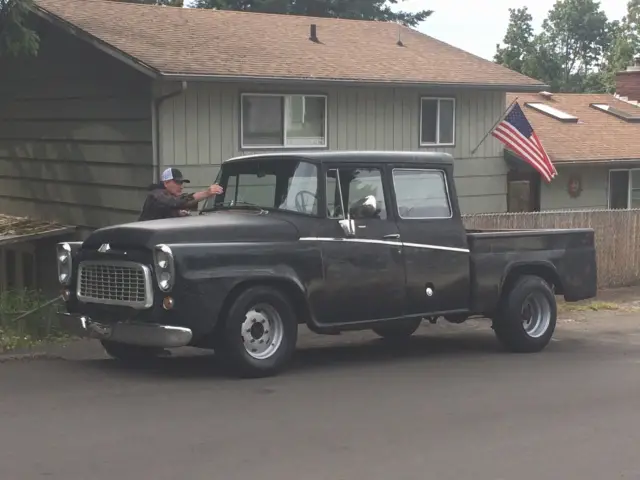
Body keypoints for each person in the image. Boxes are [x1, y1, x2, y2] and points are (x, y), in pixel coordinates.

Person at [138, 167, 224, 221]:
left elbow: (178, 205)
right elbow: (176, 202)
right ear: (166, 183)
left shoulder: (168, 197)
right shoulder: (156, 195)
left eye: (181, 183)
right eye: (177, 183)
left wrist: (179, 213)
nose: (181, 186)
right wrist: (207, 193)